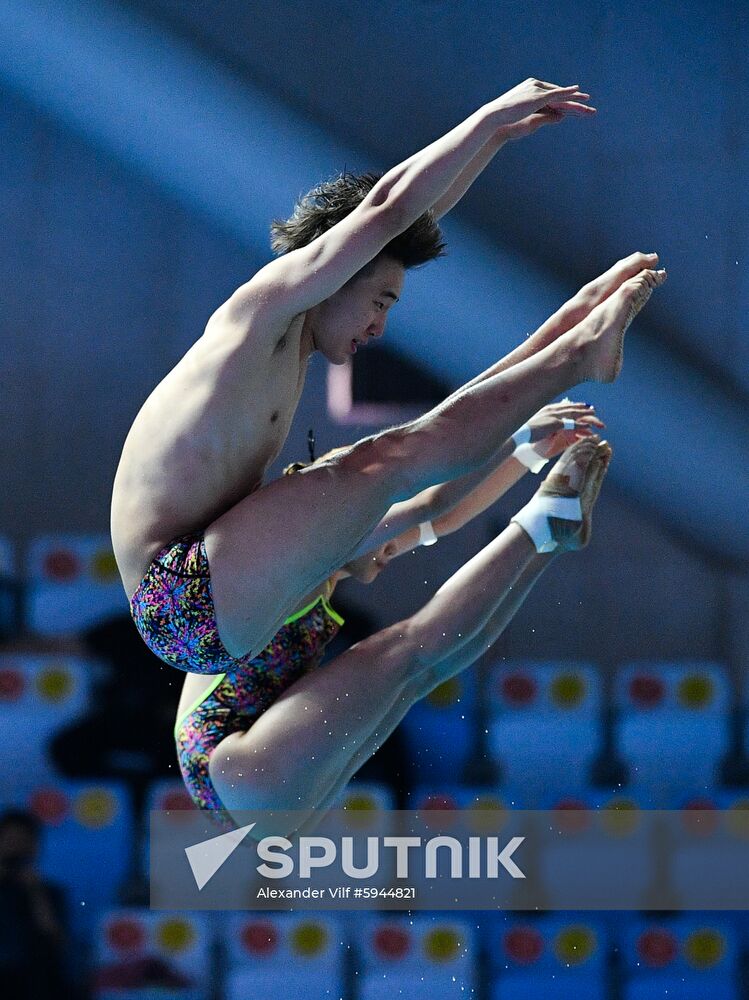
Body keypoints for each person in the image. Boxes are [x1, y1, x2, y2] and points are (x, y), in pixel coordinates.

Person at [111, 76, 665, 679]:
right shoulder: (256, 314)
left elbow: (400, 224)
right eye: (380, 301)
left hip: (219, 595)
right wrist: (486, 117)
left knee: (395, 457)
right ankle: (577, 354)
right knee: (389, 459)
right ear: (333, 271)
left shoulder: (288, 346)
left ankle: (572, 345)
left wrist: (494, 141)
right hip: (180, 596)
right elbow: (383, 213)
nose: (379, 327)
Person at [173, 411, 610, 835]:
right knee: (407, 649)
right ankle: (542, 526)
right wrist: (521, 432)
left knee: (424, 670)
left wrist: (531, 455)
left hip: (255, 792)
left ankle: (546, 537)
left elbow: (443, 518)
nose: (389, 545)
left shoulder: (329, 560)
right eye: (381, 520)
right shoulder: (302, 560)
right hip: (238, 769)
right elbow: (432, 503)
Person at [0, 810, 71, 999]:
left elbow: (56, 940)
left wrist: (35, 892)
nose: (17, 848)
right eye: (11, 840)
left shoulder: (49, 893)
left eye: (24, 841)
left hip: (35, 982)